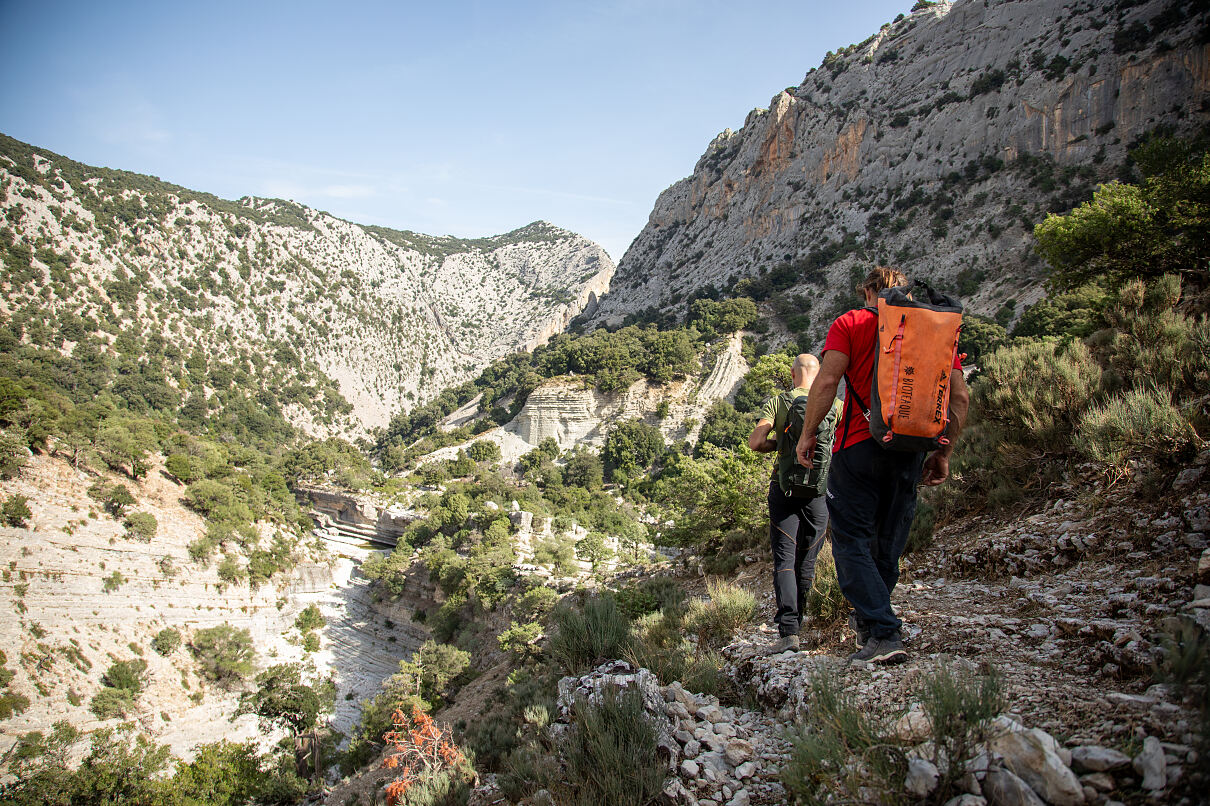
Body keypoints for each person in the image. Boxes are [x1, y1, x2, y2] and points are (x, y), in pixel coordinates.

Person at [795, 267, 969, 664]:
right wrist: (943, 453)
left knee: (852, 540)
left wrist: (808, 435)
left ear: (871, 291)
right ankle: (872, 630)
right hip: (911, 451)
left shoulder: (852, 321)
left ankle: (885, 632)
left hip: (858, 446)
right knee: (887, 545)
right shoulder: (934, 328)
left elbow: (825, 382)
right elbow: (959, 399)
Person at [748, 353, 837, 654]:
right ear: (819, 373)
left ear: (792, 373)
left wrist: (782, 445)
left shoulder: (780, 402)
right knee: (807, 560)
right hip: (819, 493)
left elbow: (756, 442)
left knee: (784, 560)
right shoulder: (835, 404)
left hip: (783, 489)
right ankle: (802, 618)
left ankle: (789, 633)